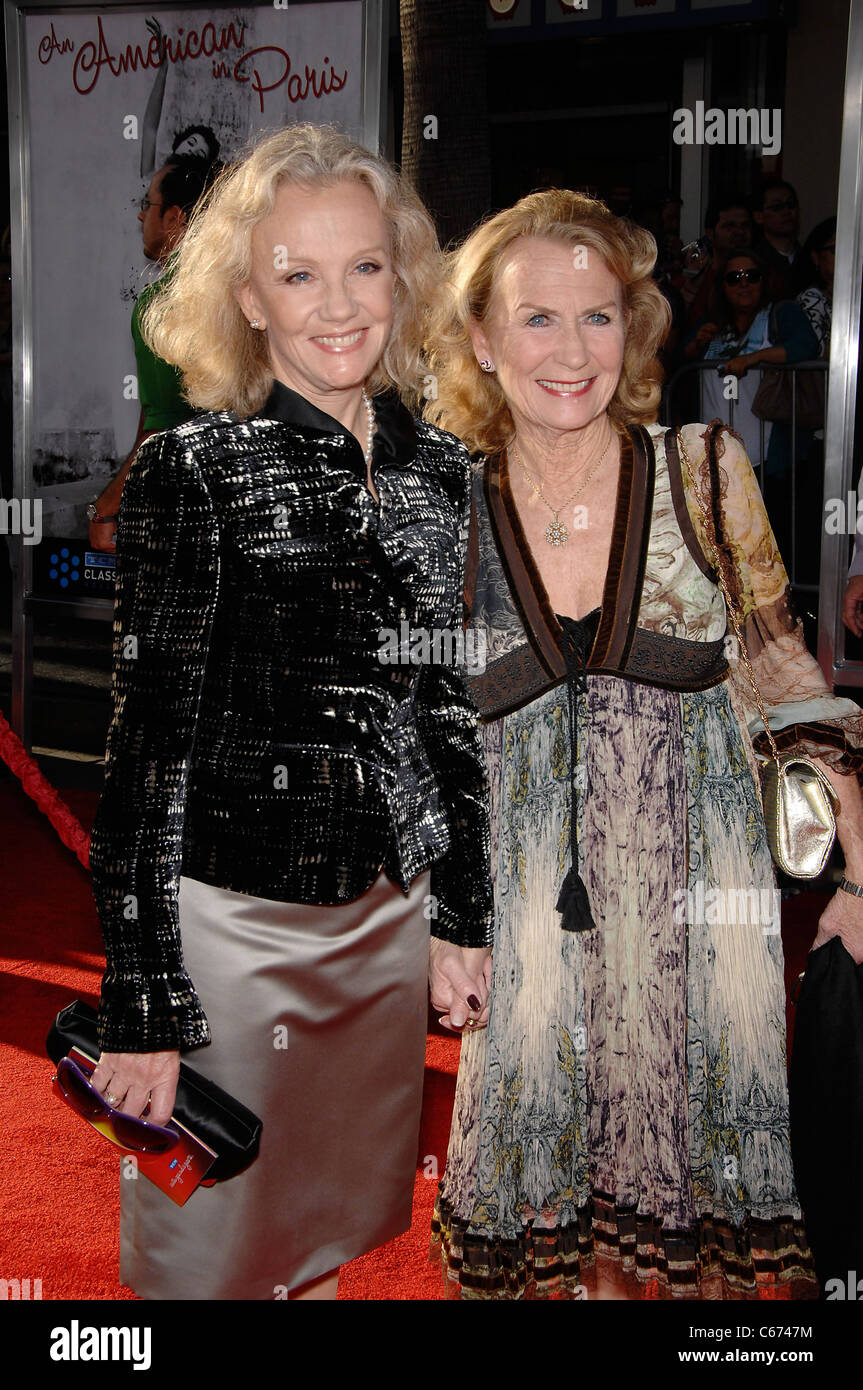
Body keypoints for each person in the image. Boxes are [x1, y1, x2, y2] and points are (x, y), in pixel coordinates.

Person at [424, 188, 863, 1299]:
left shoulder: (705, 470)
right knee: (533, 1186)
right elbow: (410, 729)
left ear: (635, 329)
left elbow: (775, 672)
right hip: (523, 899)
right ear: (478, 335)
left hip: (695, 901)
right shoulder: (438, 503)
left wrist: (852, 862)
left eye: (598, 316)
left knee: (688, 1212)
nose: (570, 350)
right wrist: (436, 917)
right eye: (536, 318)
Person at [87, 122, 493, 1301]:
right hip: (236, 941)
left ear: (403, 277)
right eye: (296, 273)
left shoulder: (443, 472)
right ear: (247, 299)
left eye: (363, 266)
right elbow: (144, 754)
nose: (336, 305)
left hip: (383, 930)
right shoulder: (193, 472)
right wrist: (146, 1001)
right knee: (206, 1260)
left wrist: (459, 914)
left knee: (321, 1238)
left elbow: (449, 716)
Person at [87, 154, 220, 553]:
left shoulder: (163, 304)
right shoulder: (243, 291)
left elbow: (163, 426)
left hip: (188, 518)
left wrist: (106, 508)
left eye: (148, 205)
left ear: (176, 218)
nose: (141, 217)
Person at [684, 247, 818, 564]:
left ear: (765, 280)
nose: (743, 284)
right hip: (717, 457)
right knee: (728, 543)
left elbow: (805, 345)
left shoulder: (780, 313)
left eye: (751, 276)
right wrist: (696, 342)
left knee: (772, 542)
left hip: (769, 457)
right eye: (734, 278)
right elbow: (680, 362)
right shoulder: (714, 322)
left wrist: (753, 358)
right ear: (723, 286)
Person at [752, 178, 816, 302]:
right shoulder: (754, 260)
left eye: (791, 205)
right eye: (777, 207)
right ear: (759, 216)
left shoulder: (809, 259)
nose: (787, 212)